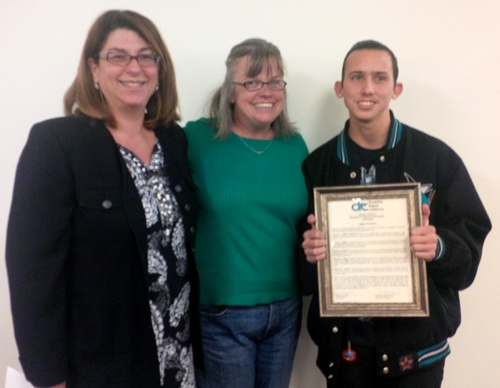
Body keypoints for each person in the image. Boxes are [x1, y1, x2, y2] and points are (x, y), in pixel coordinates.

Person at [6, 10, 200, 388]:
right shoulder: (57, 143)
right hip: (102, 362)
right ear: (93, 69)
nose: (135, 67)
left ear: (160, 70)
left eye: (147, 56)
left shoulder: (174, 141)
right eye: (118, 56)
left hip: (177, 353)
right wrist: (48, 377)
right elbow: (32, 270)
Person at [300, 40, 491, 388]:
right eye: (357, 77)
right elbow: (300, 269)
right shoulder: (318, 166)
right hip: (347, 351)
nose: (368, 88)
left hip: (417, 353)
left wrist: (438, 246)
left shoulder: (437, 159)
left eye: (379, 77)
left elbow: (469, 250)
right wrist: (310, 254)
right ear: (340, 89)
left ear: (396, 89)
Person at [184, 38, 308, 388]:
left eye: (274, 81)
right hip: (223, 310)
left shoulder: (295, 145)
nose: (265, 91)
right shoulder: (197, 139)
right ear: (231, 92)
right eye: (252, 82)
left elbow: (305, 223)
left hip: (285, 308)